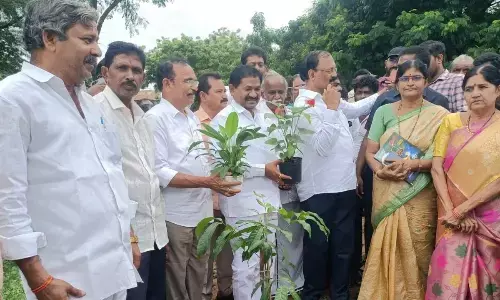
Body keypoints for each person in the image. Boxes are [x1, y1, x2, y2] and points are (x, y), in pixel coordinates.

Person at [0, 1, 140, 299]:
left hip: (114, 268)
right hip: (65, 280)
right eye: (87, 40)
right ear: (50, 39)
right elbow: (6, 196)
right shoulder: (12, 98)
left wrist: (129, 236)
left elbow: (111, 172)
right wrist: (38, 279)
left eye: (96, 40)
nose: (97, 50)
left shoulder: (90, 104)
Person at [145, 59, 240, 300]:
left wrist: (219, 179)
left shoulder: (190, 117)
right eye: (187, 80)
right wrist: (208, 182)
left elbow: (202, 160)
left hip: (202, 211)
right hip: (176, 216)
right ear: (167, 83)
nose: (193, 86)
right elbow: (160, 171)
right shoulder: (156, 119)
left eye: (194, 80)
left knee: (200, 274)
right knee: (176, 278)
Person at [358, 59, 449, 300]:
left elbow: (439, 158)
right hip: (387, 186)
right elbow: (370, 152)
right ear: (396, 84)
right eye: (405, 78)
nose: (410, 82)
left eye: (416, 77)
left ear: (426, 82)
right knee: (385, 245)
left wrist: (413, 164)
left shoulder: (440, 115)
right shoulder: (384, 111)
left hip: (419, 192)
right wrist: (379, 171)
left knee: (418, 249)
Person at [294, 51, 380, 300]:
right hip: (319, 191)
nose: (334, 74)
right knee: (317, 249)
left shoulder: (329, 98)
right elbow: (321, 146)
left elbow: (354, 109)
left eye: (334, 69)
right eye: (328, 70)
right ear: (312, 74)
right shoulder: (304, 105)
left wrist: (383, 92)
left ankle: (340, 295)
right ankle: (312, 295)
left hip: (344, 187)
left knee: (343, 249)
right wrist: (331, 110)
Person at [94, 41, 169, 300]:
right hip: (126, 241)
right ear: (105, 73)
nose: (130, 75)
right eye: (122, 68)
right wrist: (130, 237)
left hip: (157, 235)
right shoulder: (95, 113)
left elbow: (149, 175)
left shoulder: (143, 116)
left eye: (136, 70)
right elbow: (102, 183)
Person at [211, 65, 289, 300]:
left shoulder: (266, 114)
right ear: (232, 89)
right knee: (247, 266)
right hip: (243, 204)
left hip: (270, 200)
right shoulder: (224, 120)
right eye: (248, 89)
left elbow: (279, 148)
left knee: (269, 260)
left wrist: (283, 168)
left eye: (257, 89)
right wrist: (262, 170)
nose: (254, 94)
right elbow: (222, 165)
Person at [426, 64, 500, 299]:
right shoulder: (451, 122)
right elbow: (437, 168)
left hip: (490, 220)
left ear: (497, 90)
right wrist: (453, 212)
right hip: (450, 218)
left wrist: (463, 211)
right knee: (447, 277)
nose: (475, 93)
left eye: (482, 87)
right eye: (469, 89)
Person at [261, 71, 305, 292]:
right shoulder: (256, 118)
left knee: (292, 238)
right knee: (270, 241)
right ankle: (273, 286)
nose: (277, 96)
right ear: (262, 93)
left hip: (291, 189)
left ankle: (293, 285)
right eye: (272, 92)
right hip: (266, 190)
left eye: (281, 91)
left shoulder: (293, 115)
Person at [194, 73, 234, 300]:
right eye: (219, 92)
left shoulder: (230, 120)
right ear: (203, 95)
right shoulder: (193, 123)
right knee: (205, 256)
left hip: (228, 198)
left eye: (224, 91)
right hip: (203, 201)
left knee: (225, 252)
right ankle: (205, 293)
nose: (224, 96)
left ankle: (226, 292)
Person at [349, 74, 379, 286]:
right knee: (351, 227)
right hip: (345, 178)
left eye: (366, 93)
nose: (361, 96)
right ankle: (352, 270)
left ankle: (369, 266)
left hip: (369, 176)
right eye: (359, 92)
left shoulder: (378, 117)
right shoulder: (346, 116)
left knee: (369, 222)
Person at [420, 40, 466, 112]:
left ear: (439, 58)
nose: (422, 64)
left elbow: (463, 115)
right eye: (420, 60)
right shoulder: (417, 84)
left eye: (426, 60)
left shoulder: (457, 80)